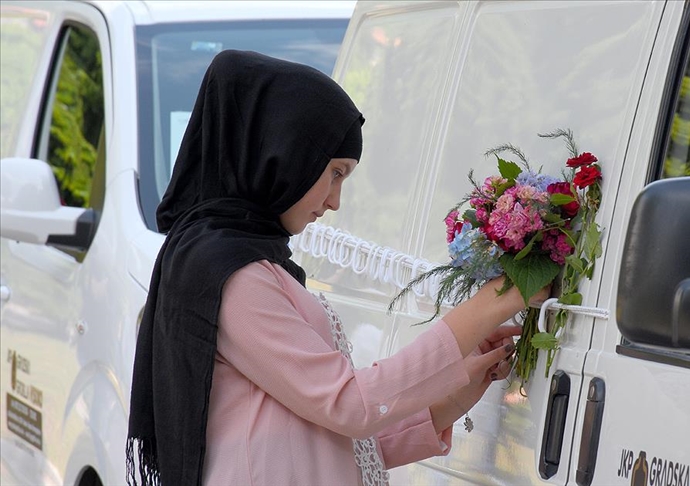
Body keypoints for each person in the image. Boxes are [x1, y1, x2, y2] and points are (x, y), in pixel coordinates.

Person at [126, 50, 547, 486]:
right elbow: (350, 405)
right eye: (334, 173)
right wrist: (490, 304)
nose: (334, 201)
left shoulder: (244, 261)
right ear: (283, 153)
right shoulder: (232, 276)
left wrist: (452, 394)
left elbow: (331, 441)